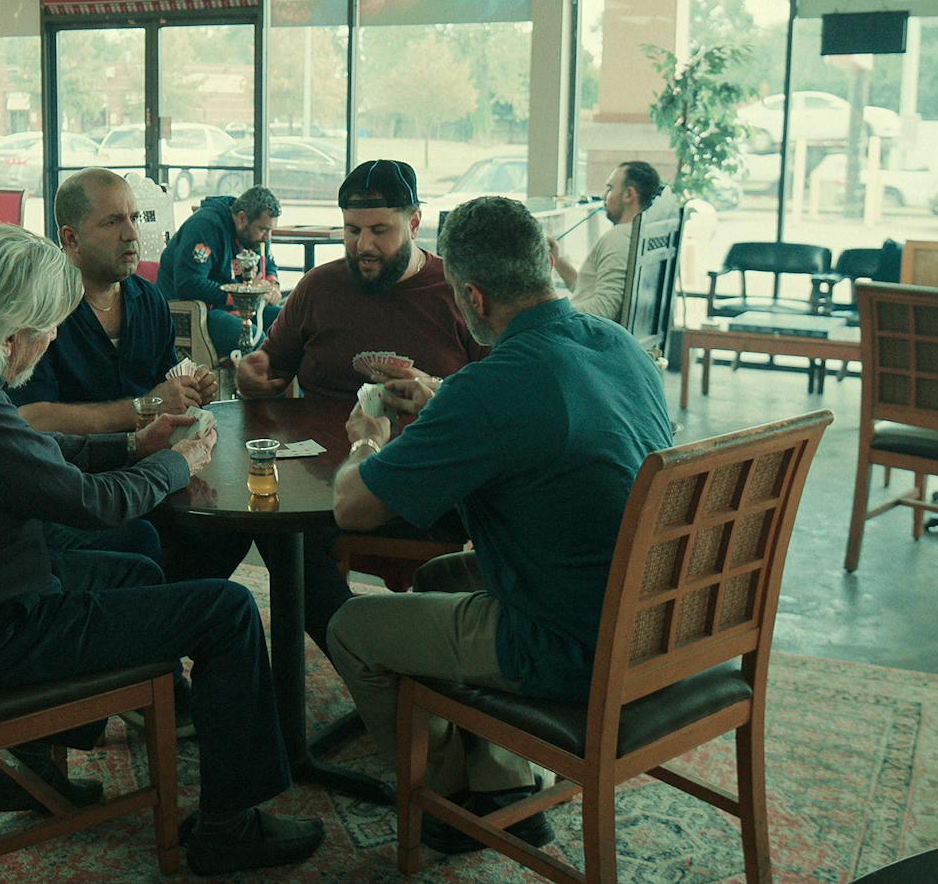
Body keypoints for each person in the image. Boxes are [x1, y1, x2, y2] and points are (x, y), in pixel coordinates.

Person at [0, 224, 324, 876]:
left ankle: (33, 761)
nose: (47, 345)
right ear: (8, 330)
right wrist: (177, 464)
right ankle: (228, 825)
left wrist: (135, 446)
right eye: (46, 329)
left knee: (134, 563)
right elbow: (91, 503)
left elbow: (20, 455)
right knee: (228, 609)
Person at [324, 196, 675, 855]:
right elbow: (547, 424)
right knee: (437, 576)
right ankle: (503, 781)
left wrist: (367, 440)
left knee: (353, 629)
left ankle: (447, 797)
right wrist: (443, 400)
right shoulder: (622, 346)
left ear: (474, 297)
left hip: (574, 642)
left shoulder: (489, 386)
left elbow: (353, 507)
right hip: (655, 611)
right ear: (546, 260)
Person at [13, 168, 220, 566]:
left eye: (134, 218)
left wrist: (193, 388)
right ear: (70, 238)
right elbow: (31, 419)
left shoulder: (149, 299)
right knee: (150, 538)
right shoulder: (40, 311)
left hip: (153, 469)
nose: (131, 234)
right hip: (77, 486)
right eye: (113, 221)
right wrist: (144, 406)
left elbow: (167, 381)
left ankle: (169, 615)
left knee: (224, 532)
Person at [236, 159, 484, 401]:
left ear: (414, 224)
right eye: (353, 230)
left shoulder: (459, 289)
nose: (364, 246)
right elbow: (270, 368)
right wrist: (251, 378)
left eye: (379, 231)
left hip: (426, 440)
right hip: (320, 440)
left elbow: (500, 393)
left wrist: (439, 391)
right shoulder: (317, 288)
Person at [157, 186, 282, 360]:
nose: (268, 237)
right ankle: (261, 386)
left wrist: (272, 284)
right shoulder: (204, 227)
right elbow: (189, 284)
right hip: (197, 313)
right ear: (242, 218)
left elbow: (268, 262)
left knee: (289, 325)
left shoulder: (254, 234)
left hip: (239, 308)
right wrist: (242, 295)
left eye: (270, 230)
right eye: (263, 230)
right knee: (256, 340)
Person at [550, 160, 664, 321]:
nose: (604, 196)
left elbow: (604, 308)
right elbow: (586, 291)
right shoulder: (639, 236)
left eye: (610, 188)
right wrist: (558, 259)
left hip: (585, 340)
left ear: (629, 194)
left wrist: (550, 316)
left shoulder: (619, 238)